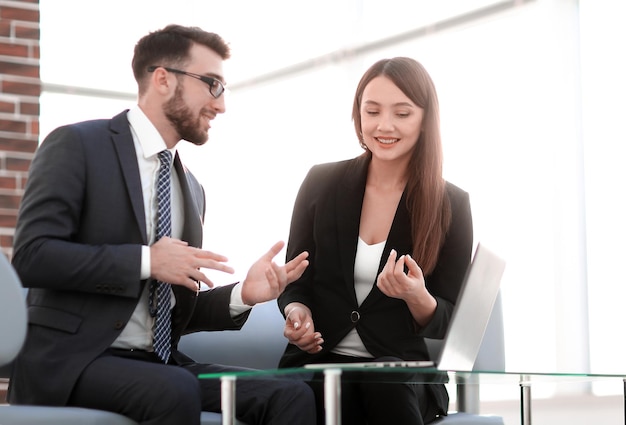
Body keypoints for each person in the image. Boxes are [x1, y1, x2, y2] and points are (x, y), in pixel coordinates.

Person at [9, 24, 316, 425]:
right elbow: (32, 257)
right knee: (173, 389)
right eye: (212, 85)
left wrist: (244, 294)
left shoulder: (191, 187)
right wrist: (145, 261)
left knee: (291, 394)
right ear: (162, 79)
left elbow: (172, 312)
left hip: (160, 363)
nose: (220, 105)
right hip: (75, 361)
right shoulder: (77, 145)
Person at [277, 57, 474, 424]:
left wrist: (417, 297)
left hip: (401, 374)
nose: (384, 126)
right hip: (321, 363)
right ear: (359, 116)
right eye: (372, 111)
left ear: (425, 120)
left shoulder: (451, 204)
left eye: (402, 113)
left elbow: (452, 322)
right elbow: (295, 281)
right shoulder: (320, 183)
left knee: (383, 383)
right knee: (323, 393)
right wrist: (296, 312)